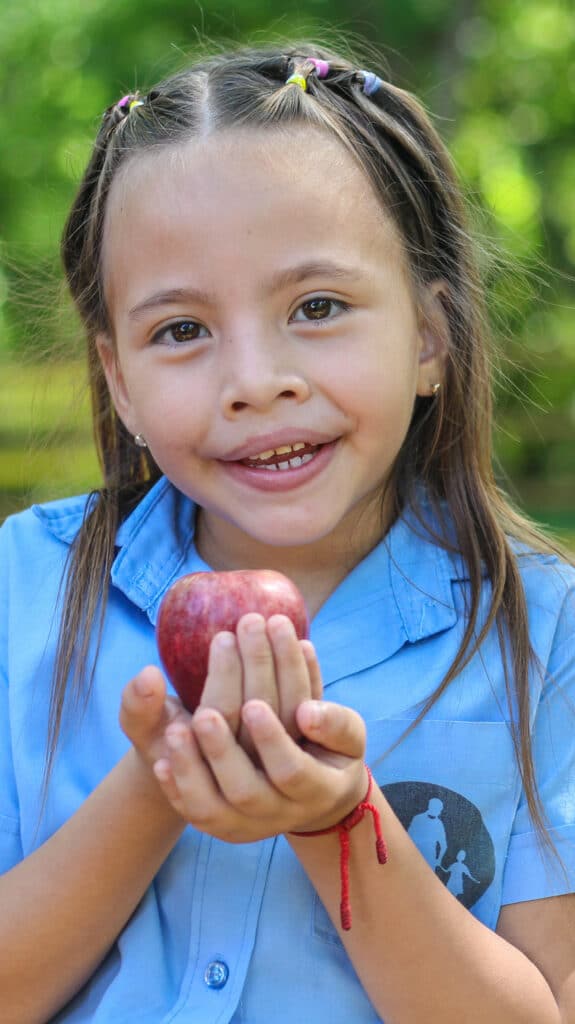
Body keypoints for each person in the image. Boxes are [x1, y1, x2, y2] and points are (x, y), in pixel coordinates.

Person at [0, 42, 573, 1024]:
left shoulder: (542, 634)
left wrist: (335, 820)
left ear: (428, 339)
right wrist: (159, 782)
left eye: (316, 307)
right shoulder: (24, 587)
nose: (255, 379)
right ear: (119, 381)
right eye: (180, 330)